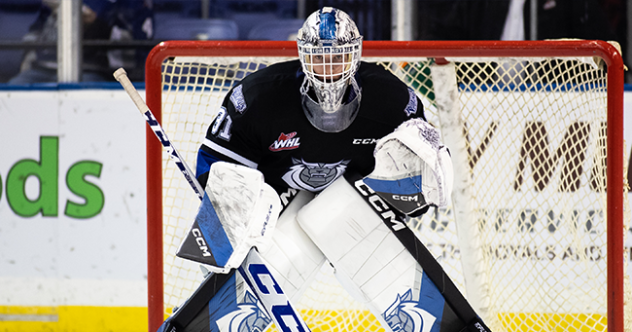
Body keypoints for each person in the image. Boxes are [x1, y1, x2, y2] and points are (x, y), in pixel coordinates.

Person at [173, 7, 471, 332]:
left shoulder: (392, 98)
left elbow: (421, 177)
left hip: (358, 204)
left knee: (337, 215)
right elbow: (218, 166)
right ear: (302, 55)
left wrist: (424, 179)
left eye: (339, 57)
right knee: (284, 250)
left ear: (356, 54)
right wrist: (229, 217)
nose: (328, 68)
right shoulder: (258, 97)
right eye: (319, 57)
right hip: (278, 203)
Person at [8, 0, 152, 84]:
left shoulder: (131, 4)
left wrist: (97, 26)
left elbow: (138, 51)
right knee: (13, 91)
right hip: (41, 69)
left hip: (93, 72)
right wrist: (28, 59)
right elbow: (35, 32)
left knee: (83, 96)